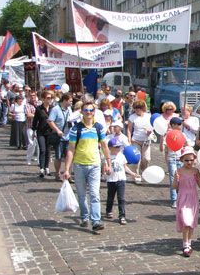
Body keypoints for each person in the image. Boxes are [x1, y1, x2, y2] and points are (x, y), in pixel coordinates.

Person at [61, 99, 112, 231]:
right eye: (86, 110)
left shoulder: (98, 127)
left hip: (95, 164)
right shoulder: (76, 129)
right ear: (82, 112)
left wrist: (108, 163)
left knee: (95, 194)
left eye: (91, 110)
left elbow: (105, 147)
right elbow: (71, 150)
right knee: (82, 194)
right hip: (79, 165)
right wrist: (66, 169)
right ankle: (84, 216)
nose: (89, 113)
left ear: (94, 112)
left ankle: (96, 221)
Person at [173, 147, 200, 257]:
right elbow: (174, 186)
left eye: (191, 160)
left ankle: (189, 242)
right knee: (186, 221)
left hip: (193, 198)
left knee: (190, 222)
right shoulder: (179, 171)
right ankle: (185, 244)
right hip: (183, 197)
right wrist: (176, 179)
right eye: (186, 160)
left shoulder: (195, 171)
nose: (189, 162)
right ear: (182, 160)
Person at [104, 137, 138, 225]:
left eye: (119, 147)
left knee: (121, 198)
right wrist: (106, 171)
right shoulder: (107, 157)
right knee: (110, 197)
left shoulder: (122, 156)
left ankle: (122, 216)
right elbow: (105, 169)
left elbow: (125, 167)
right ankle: (108, 210)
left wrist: (132, 173)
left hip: (121, 179)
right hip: (111, 180)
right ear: (110, 148)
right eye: (116, 147)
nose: (118, 149)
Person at [47, 93, 72, 180]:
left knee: (69, 156)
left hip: (68, 136)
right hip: (59, 137)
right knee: (58, 156)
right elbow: (50, 121)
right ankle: (57, 173)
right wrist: (57, 130)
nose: (71, 103)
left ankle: (67, 173)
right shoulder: (55, 109)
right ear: (65, 100)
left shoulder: (69, 109)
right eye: (70, 101)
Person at [162, 117, 184, 208]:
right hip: (171, 159)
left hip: (181, 159)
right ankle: (174, 199)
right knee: (173, 179)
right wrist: (161, 139)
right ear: (173, 125)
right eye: (179, 124)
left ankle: (181, 197)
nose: (180, 126)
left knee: (182, 179)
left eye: (180, 124)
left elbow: (186, 145)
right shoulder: (168, 134)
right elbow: (162, 148)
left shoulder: (182, 134)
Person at [32, 90, 55, 178]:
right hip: (40, 132)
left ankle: (47, 167)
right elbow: (35, 121)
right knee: (42, 149)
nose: (50, 100)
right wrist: (33, 131)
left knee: (48, 150)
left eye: (51, 98)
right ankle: (41, 168)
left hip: (50, 132)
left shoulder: (53, 108)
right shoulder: (39, 109)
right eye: (48, 98)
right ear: (43, 99)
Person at [127, 100, 153, 176]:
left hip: (146, 140)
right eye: (136, 108)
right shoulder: (132, 117)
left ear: (143, 108)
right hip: (136, 140)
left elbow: (153, 126)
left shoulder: (148, 116)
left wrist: (150, 131)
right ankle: (136, 174)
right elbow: (129, 129)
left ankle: (143, 171)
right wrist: (129, 139)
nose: (138, 109)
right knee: (137, 159)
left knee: (146, 159)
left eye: (140, 108)